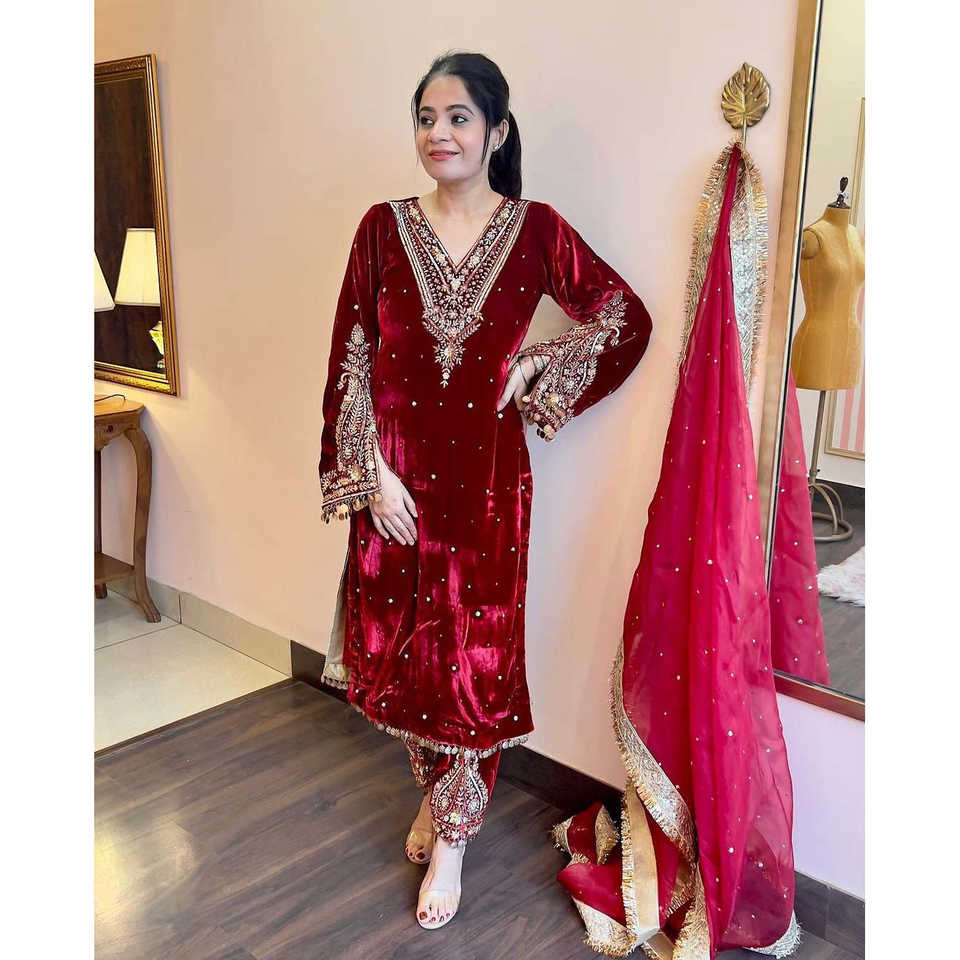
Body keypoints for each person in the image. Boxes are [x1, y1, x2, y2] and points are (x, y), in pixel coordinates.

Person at [316, 50, 654, 930]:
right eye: (426, 118)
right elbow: (352, 353)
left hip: (486, 493)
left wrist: (542, 361)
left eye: (458, 117)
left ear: (497, 132)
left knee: (472, 666)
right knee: (407, 662)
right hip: (394, 490)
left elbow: (624, 316)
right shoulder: (382, 229)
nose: (439, 134)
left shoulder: (536, 230)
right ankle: (437, 801)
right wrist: (369, 477)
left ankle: (456, 839)